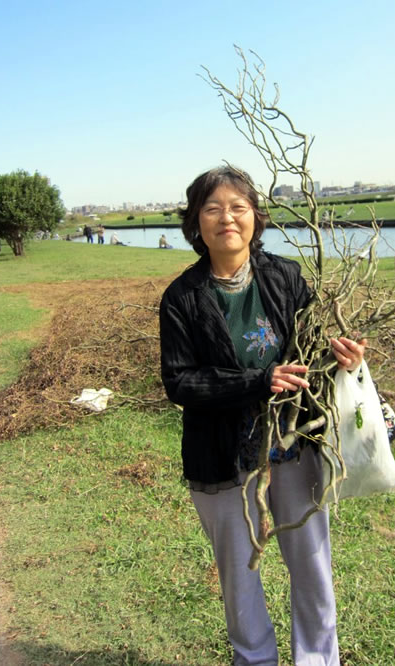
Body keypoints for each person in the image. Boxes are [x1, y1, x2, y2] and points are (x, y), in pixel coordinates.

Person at [159, 166, 366, 666]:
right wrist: (257, 380)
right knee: (239, 572)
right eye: (212, 208)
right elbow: (180, 383)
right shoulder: (181, 298)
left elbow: (312, 352)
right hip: (222, 456)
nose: (226, 218)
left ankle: (318, 659)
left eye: (237, 207)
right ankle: (255, 660)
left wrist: (345, 360)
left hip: (292, 445)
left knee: (312, 565)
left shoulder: (284, 276)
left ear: (256, 217)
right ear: (195, 223)